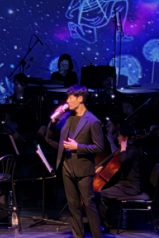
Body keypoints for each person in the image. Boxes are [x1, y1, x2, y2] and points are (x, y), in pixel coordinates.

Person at [51, 85, 103, 238]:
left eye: (70, 97)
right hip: (67, 166)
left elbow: (99, 146)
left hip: (83, 169)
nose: (67, 101)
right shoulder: (67, 117)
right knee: (73, 206)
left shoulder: (93, 121)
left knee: (88, 205)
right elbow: (51, 133)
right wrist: (54, 118)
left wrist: (78, 147)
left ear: (80, 99)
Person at [96, 123, 141, 228]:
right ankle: (106, 221)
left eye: (119, 135)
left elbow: (122, 160)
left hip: (130, 187)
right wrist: (102, 167)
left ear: (125, 138)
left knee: (98, 195)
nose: (117, 137)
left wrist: (123, 149)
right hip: (123, 185)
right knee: (98, 193)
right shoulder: (125, 150)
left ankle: (104, 224)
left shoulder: (132, 150)